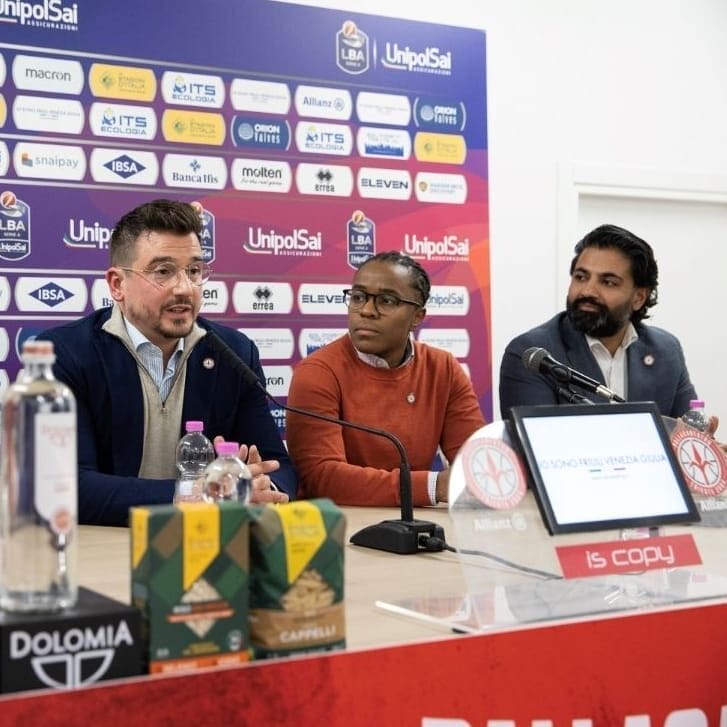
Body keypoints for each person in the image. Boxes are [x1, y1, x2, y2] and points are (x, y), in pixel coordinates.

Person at [38, 199, 295, 526]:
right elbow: (66, 486)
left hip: (209, 545)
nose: (184, 288)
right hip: (102, 547)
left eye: (194, 271)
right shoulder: (66, 353)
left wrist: (260, 487)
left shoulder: (234, 353)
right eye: (163, 271)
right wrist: (195, 496)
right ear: (118, 285)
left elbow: (279, 466)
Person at [285, 251, 485, 507]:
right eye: (358, 297)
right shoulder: (318, 371)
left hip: (416, 521)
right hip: (342, 525)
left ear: (417, 317)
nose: (367, 310)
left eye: (387, 301)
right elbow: (323, 477)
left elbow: (476, 463)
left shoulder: (443, 368)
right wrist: (435, 486)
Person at [499, 224, 700, 420]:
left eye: (608, 282)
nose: (587, 291)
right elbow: (536, 446)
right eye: (581, 277)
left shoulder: (666, 350)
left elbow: (684, 432)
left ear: (639, 297)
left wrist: (700, 446)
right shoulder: (533, 355)